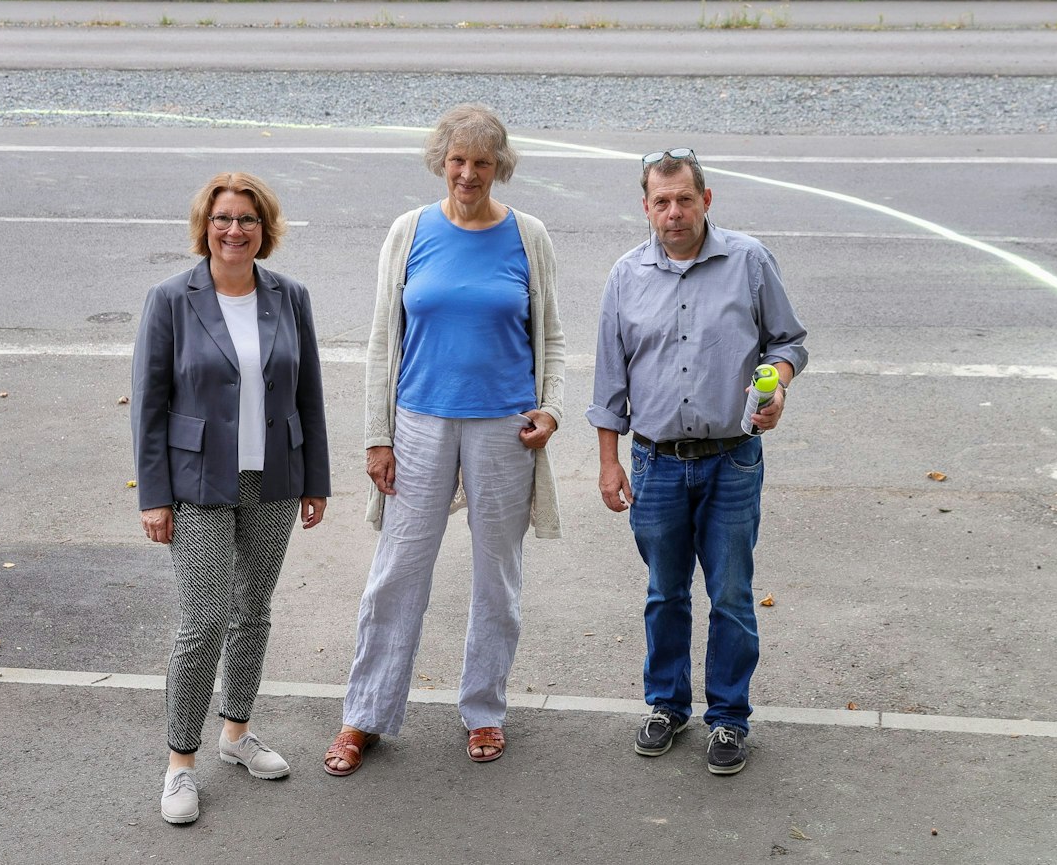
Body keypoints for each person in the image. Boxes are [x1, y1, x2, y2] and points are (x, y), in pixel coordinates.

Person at [323, 103, 567, 776]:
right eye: (458, 160)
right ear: (441, 162)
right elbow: (381, 342)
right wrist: (378, 436)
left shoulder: (529, 235)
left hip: (504, 429)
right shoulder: (410, 232)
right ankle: (364, 715)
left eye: (482, 162)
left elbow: (552, 336)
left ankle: (484, 709)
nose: (469, 173)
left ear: (500, 167)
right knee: (396, 573)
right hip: (418, 423)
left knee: (498, 576)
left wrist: (551, 410)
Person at [588, 147, 807, 777]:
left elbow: (788, 341)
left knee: (733, 594)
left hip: (731, 460)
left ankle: (730, 719)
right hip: (655, 464)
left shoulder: (748, 261)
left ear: (706, 200)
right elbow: (609, 386)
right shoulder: (626, 276)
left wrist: (779, 385)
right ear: (647, 207)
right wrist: (609, 465)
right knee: (665, 594)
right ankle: (666, 706)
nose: (675, 212)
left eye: (685, 199)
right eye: (662, 201)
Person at [132, 172, 330, 825]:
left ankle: (237, 734)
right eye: (223, 218)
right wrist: (154, 495)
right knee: (205, 619)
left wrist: (315, 478)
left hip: (272, 476)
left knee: (254, 609)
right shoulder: (171, 299)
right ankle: (180, 762)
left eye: (247, 219)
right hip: (198, 481)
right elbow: (151, 406)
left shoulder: (289, 297)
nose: (234, 230)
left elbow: (309, 396)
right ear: (206, 226)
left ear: (263, 229)